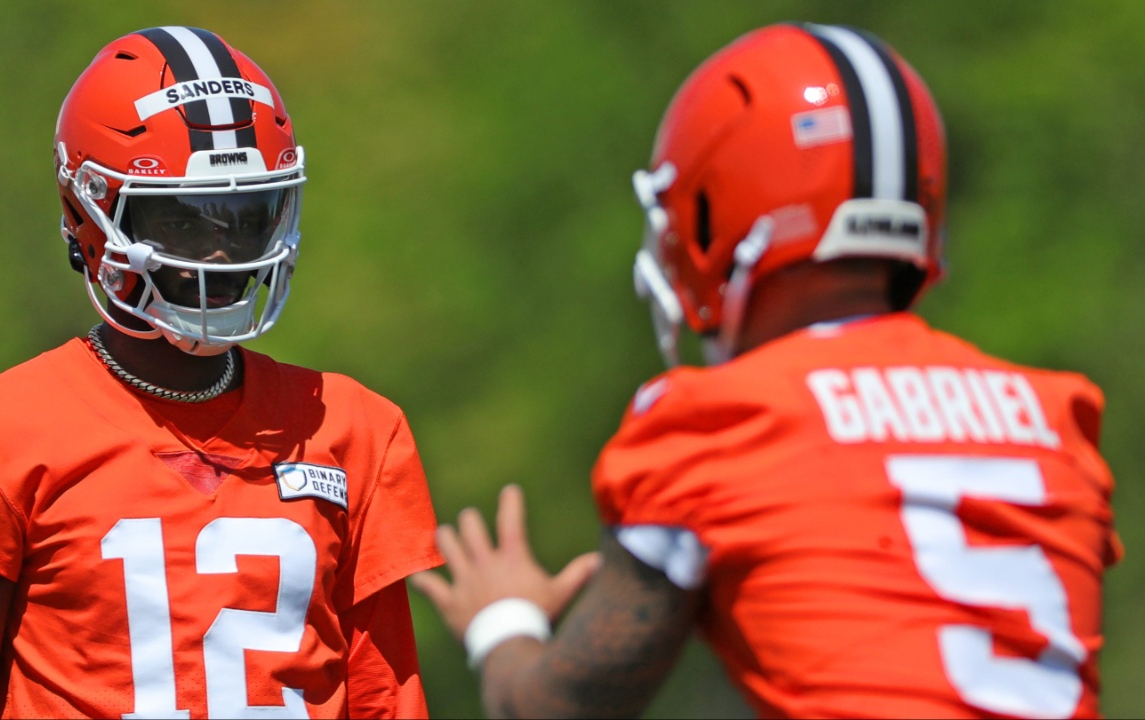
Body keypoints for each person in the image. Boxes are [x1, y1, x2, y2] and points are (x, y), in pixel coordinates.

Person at [412, 22, 1121, 719]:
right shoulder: (1056, 420)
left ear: (713, 213)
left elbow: (552, 711)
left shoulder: (720, 424)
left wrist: (501, 622)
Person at [0, 26, 441, 719]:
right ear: (90, 211)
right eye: (186, 221)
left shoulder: (355, 432)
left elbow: (383, 703)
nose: (223, 255)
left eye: (246, 215)